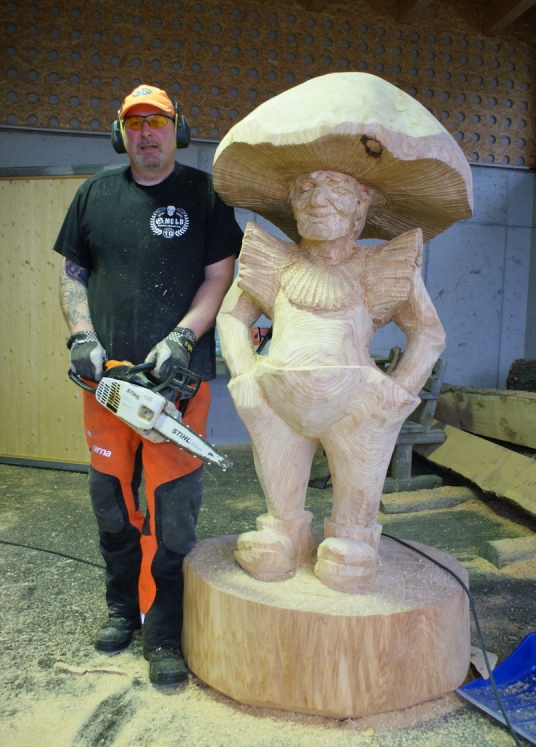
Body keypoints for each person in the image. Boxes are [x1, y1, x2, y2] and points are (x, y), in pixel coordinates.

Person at [54, 84, 243, 684]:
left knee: (172, 511)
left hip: (176, 383)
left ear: (176, 129)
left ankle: (162, 631)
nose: (146, 133)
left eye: (156, 122)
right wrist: (82, 336)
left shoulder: (204, 195)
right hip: (107, 382)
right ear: (120, 134)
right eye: (134, 123)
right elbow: (73, 274)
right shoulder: (94, 194)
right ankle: (121, 611)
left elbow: (220, 276)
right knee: (111, 502)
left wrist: (183, 336)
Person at [217, 169, 445, 589]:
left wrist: (398, 391)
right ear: (292, 204)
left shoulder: (381, 265)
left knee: (357, 494)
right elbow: (232, 315)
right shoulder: (274, 260)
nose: (318, 199)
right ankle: (283, 535)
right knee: (278, 484)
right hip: (278, 399)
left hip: (357, 405)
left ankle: (354, 539)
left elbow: (428, 332)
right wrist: (244, 372)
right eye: (305, 188)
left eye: (336, 188)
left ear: (362, 203)